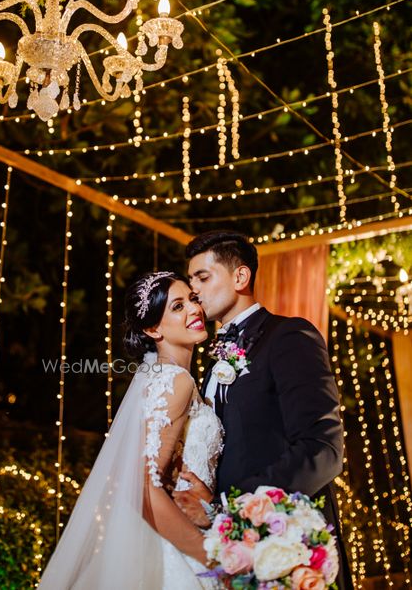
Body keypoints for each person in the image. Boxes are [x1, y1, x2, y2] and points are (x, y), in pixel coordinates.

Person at [173, 230, 354, 590]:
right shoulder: (209, 362)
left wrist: (225, 505)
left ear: (241, 276)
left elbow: (323, 451)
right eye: (190, 281)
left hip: (289, 545)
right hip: (232, 553)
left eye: (203, 278)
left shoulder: (289, 337)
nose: (194, 291)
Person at [37, 272, 223, 590]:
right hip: (174, 551)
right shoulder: (177, 382)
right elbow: (145, 491)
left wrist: (208, 506)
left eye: (192, 299)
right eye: (177, 307)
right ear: (153, 329)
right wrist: (216, 561)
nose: (194, 310)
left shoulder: (160, 378)